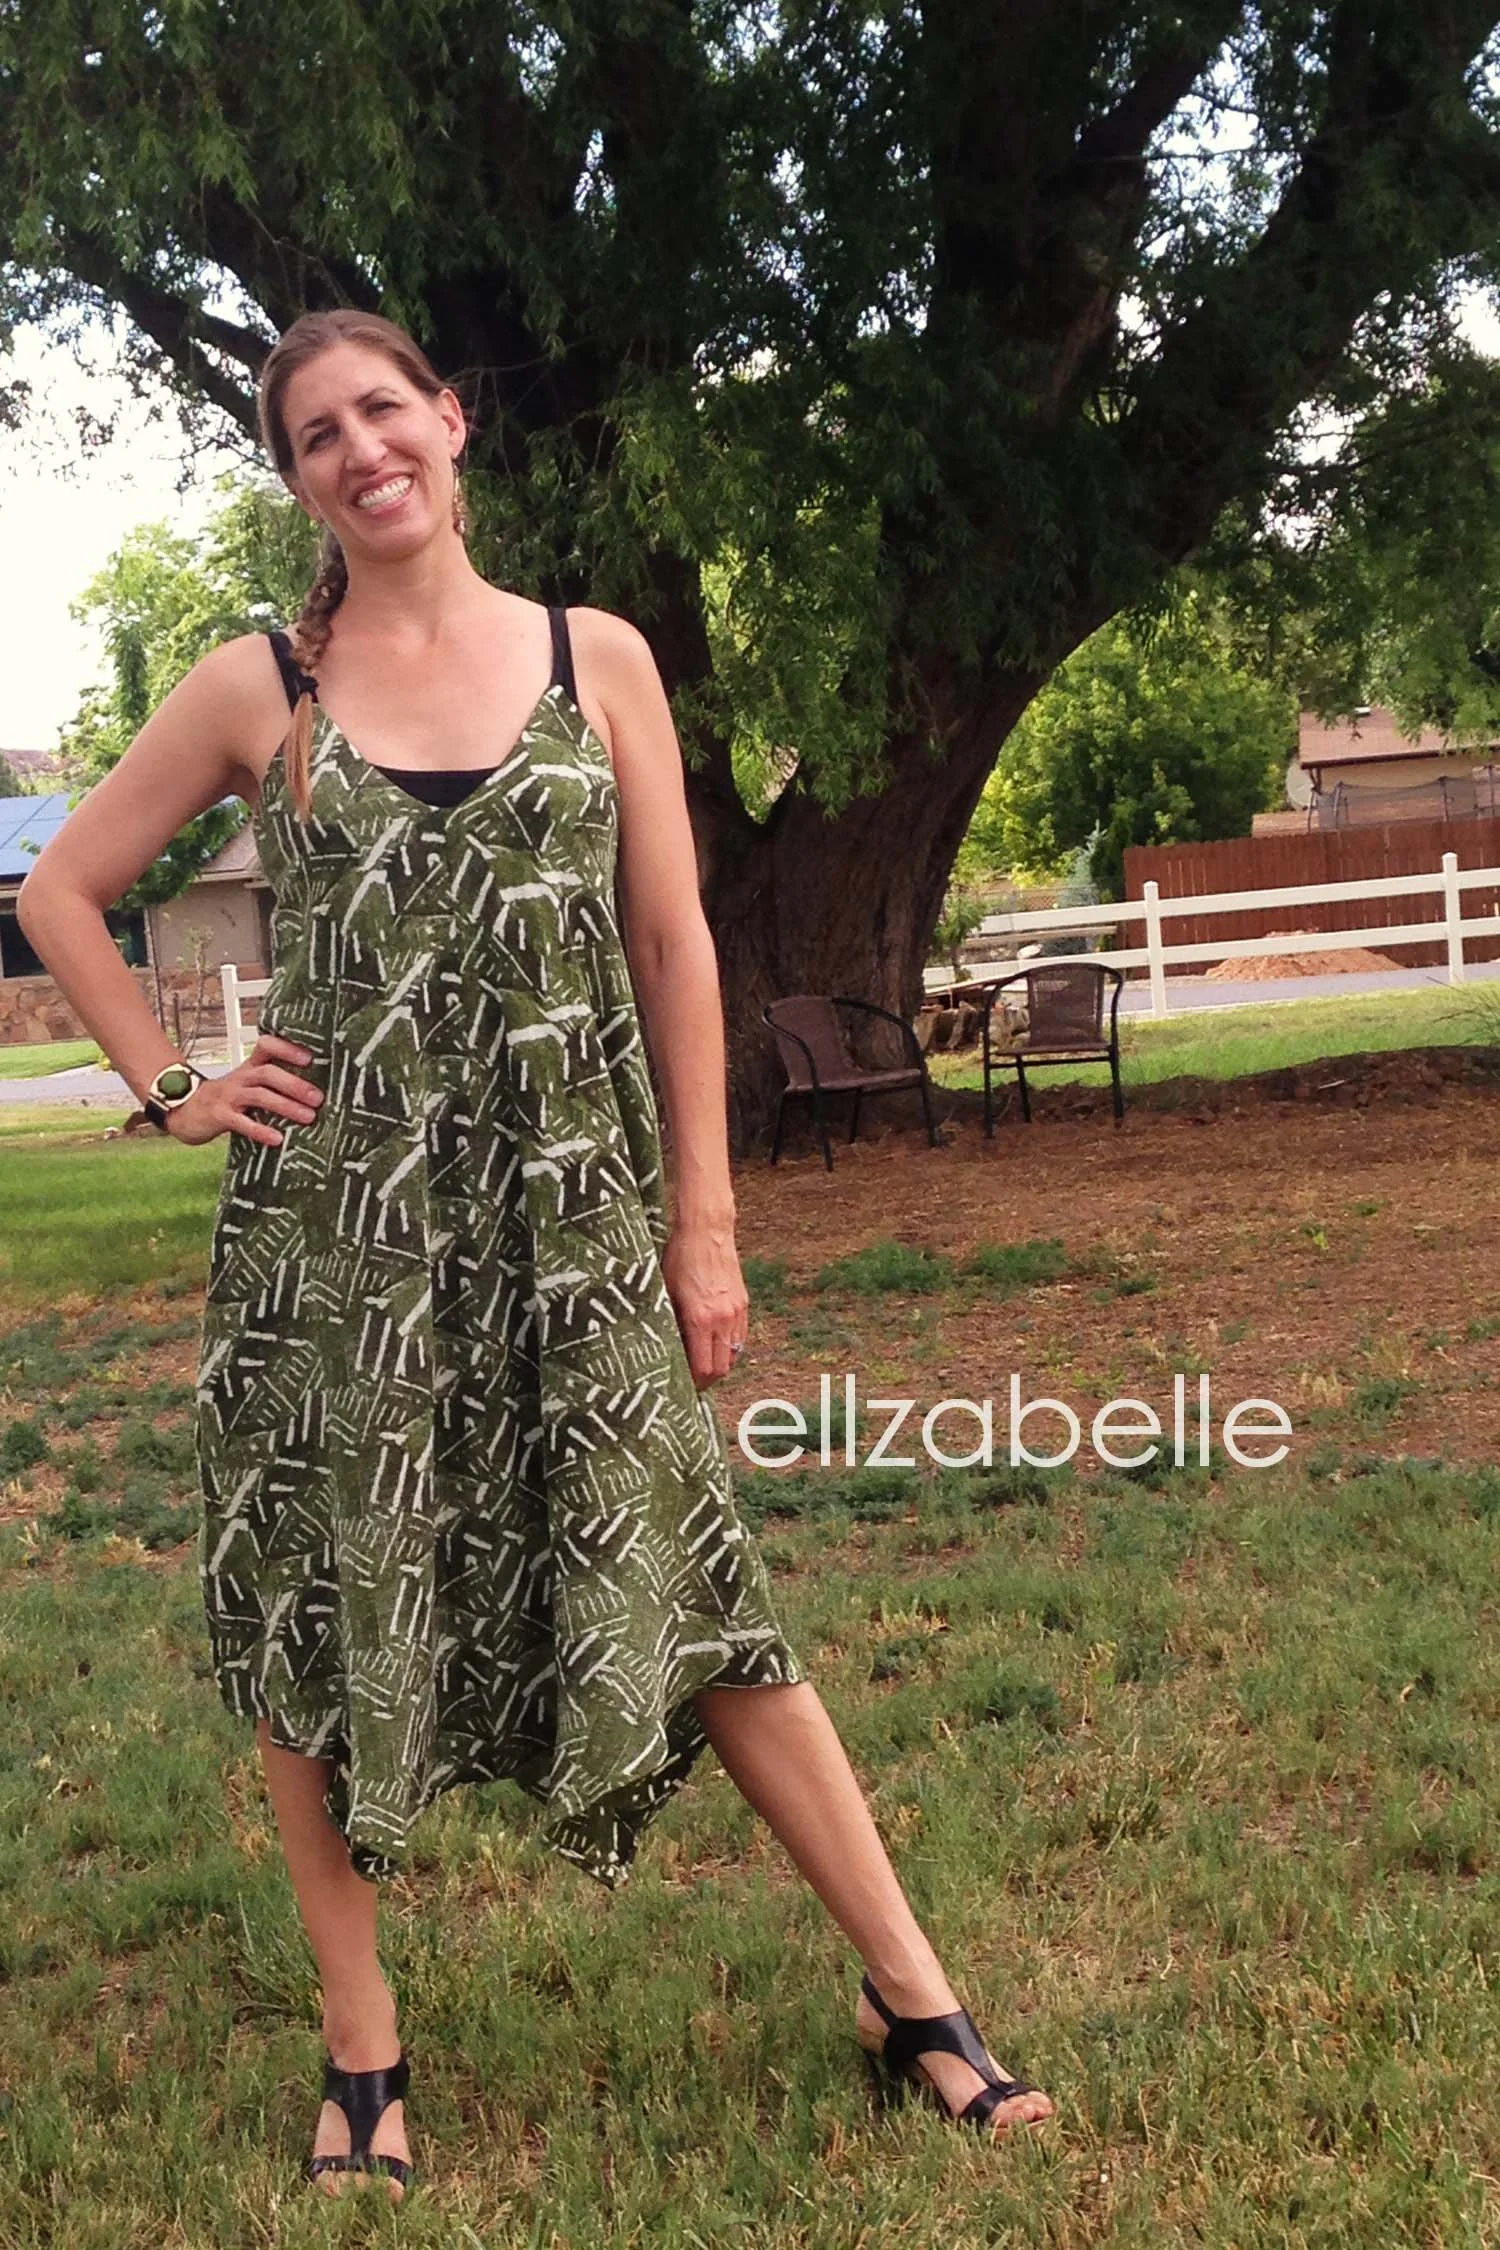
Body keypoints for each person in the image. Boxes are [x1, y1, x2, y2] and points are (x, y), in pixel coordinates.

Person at [16, 308, 1054, 2199]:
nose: (360, 450)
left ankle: (916, 1998)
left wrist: (705, 1223)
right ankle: (363, 2049)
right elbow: (63, 889)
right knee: (321, 1615)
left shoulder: (601, 658)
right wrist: (175, 1088)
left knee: (705, 1591)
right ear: (298, 479)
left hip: (575, 1233)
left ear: (452, 419)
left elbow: (673, 945)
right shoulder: (260, 687)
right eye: (316, 435)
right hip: (339, 1255)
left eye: (382, 409)